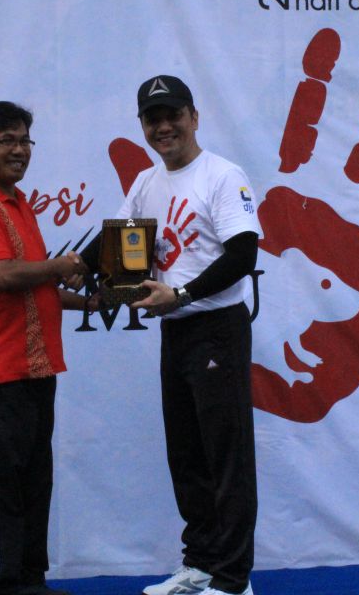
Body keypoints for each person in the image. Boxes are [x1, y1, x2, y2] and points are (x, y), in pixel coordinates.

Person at [93, 75, 261, 595]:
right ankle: (202, 564)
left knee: (226, 455)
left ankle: (233, 580)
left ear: (194, 117)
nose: (163, 127)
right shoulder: (147, 182)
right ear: (142, 126)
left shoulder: (222, 175)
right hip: (177, 329)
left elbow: (243, 255)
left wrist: (182, 294)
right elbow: (116, 245)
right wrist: (74, 267)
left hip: (216, 328)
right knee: (187, 454)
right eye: (153, 119)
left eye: (173, 115)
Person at [0, 101, 87, 595]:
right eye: (6, 140)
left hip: (36, 365)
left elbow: (36, 286)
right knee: (0, 481)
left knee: (33, 479)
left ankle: (29, 580)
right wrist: (62, 266)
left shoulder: (18, 203)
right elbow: (2, 275)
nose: (20, 150)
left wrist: (93, 301)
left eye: (25, 140)